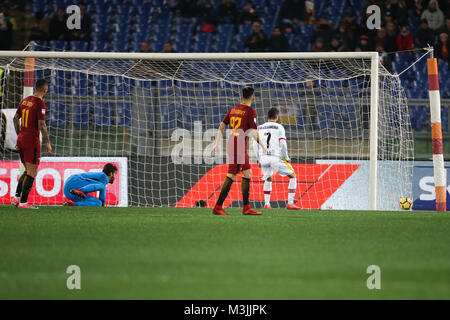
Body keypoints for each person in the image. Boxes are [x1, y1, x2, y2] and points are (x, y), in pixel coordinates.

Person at [212, 86, 266, 216]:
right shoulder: (251, 111)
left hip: (235, 145)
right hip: (238, 147)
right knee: (232, 175)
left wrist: (217, 143)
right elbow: (254, 133)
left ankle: (246, 207)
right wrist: (263, 146)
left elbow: (222, 125)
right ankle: (218, 206)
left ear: (241, 97)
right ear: (253, 97)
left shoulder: (234, 109)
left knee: (247, 173)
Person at [12, 79, 52, 209]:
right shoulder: (40, 103)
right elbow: (42, 125)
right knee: (32, 172)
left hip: (21, 138)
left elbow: (15, 118)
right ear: (45, 90)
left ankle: (17, 198)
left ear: (35, 87)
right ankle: (23, 203)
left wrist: (20, 133)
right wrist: (48, 143)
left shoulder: (25, 100)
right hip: (31, 141)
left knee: (27, 170)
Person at [252, 108, 300, 210]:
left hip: (264, 158)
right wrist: (286, 157)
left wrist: (258, 159)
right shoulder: (279, 127)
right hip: (275, 157)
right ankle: (290, 203)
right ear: (277, 117)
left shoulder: (259, 128)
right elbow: (283, 143)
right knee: (293, 176)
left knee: (268, 178)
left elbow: (254, 144)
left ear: (267, 117)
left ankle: (267, 204)